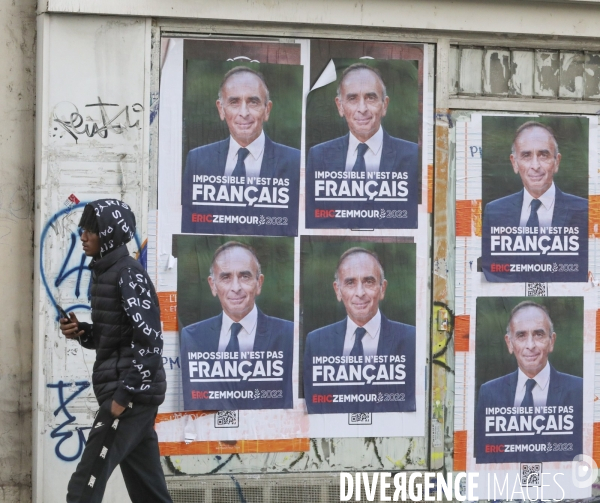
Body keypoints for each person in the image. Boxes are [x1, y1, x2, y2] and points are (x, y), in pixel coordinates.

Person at [59, 199, 171, 503]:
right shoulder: (105, 273)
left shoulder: (128, 274)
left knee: (83, 486)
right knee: (149, 493)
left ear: (108, 234)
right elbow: (117, 336)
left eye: (90, 230)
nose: (83, 236)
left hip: (129, 396)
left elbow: (150, 342)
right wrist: (82, 331)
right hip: (130, 395)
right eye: (83, 229)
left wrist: (123, 397)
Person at [180, 241, 293, 408]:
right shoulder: (192, 336)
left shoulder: (289, 334)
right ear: (213, 285)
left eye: (244, 276)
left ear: (259, 283)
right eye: (225, 277)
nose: (236, 287)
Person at [303, 247, 415, 412]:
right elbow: (314, 408)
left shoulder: (411, 339)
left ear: (382, 288)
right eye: (350, 283)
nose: (360, 292)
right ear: (338, 290)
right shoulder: (317, 341)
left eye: (368, 282)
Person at [475, 301, 583, 462]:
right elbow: (482, 457)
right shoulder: (489, 393)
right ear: (509, 343)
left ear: (551, 341)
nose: (530, 345)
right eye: (521, 335)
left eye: (539, 334)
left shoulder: (579, 390)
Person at [482, 121, 588, 231]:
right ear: (514, 163)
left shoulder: (585, 210)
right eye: (526, 156)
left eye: (543, 155)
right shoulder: (495, 212)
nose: (535, 166)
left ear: (557, 162)